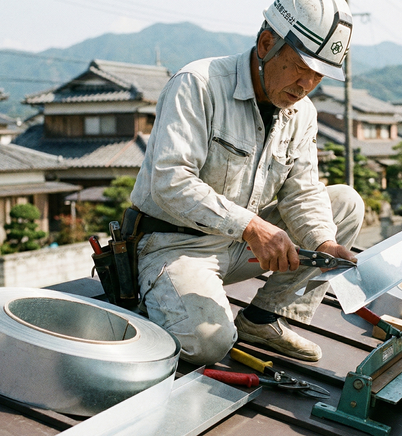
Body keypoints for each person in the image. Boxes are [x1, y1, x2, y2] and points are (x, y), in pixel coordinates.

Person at [128, 0, 363, 366]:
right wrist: (251, 226)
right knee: (209, 345)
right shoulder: (198, 84)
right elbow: (170, 181)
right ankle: (163, 297)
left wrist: (325, 244)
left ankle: (263, 318)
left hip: (239, 246)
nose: (306, 85)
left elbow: (302, 191)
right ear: (267, 44)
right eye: (300, 68)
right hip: (173, 245)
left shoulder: (302, 113)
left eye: (318, 77)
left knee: (345, 204)